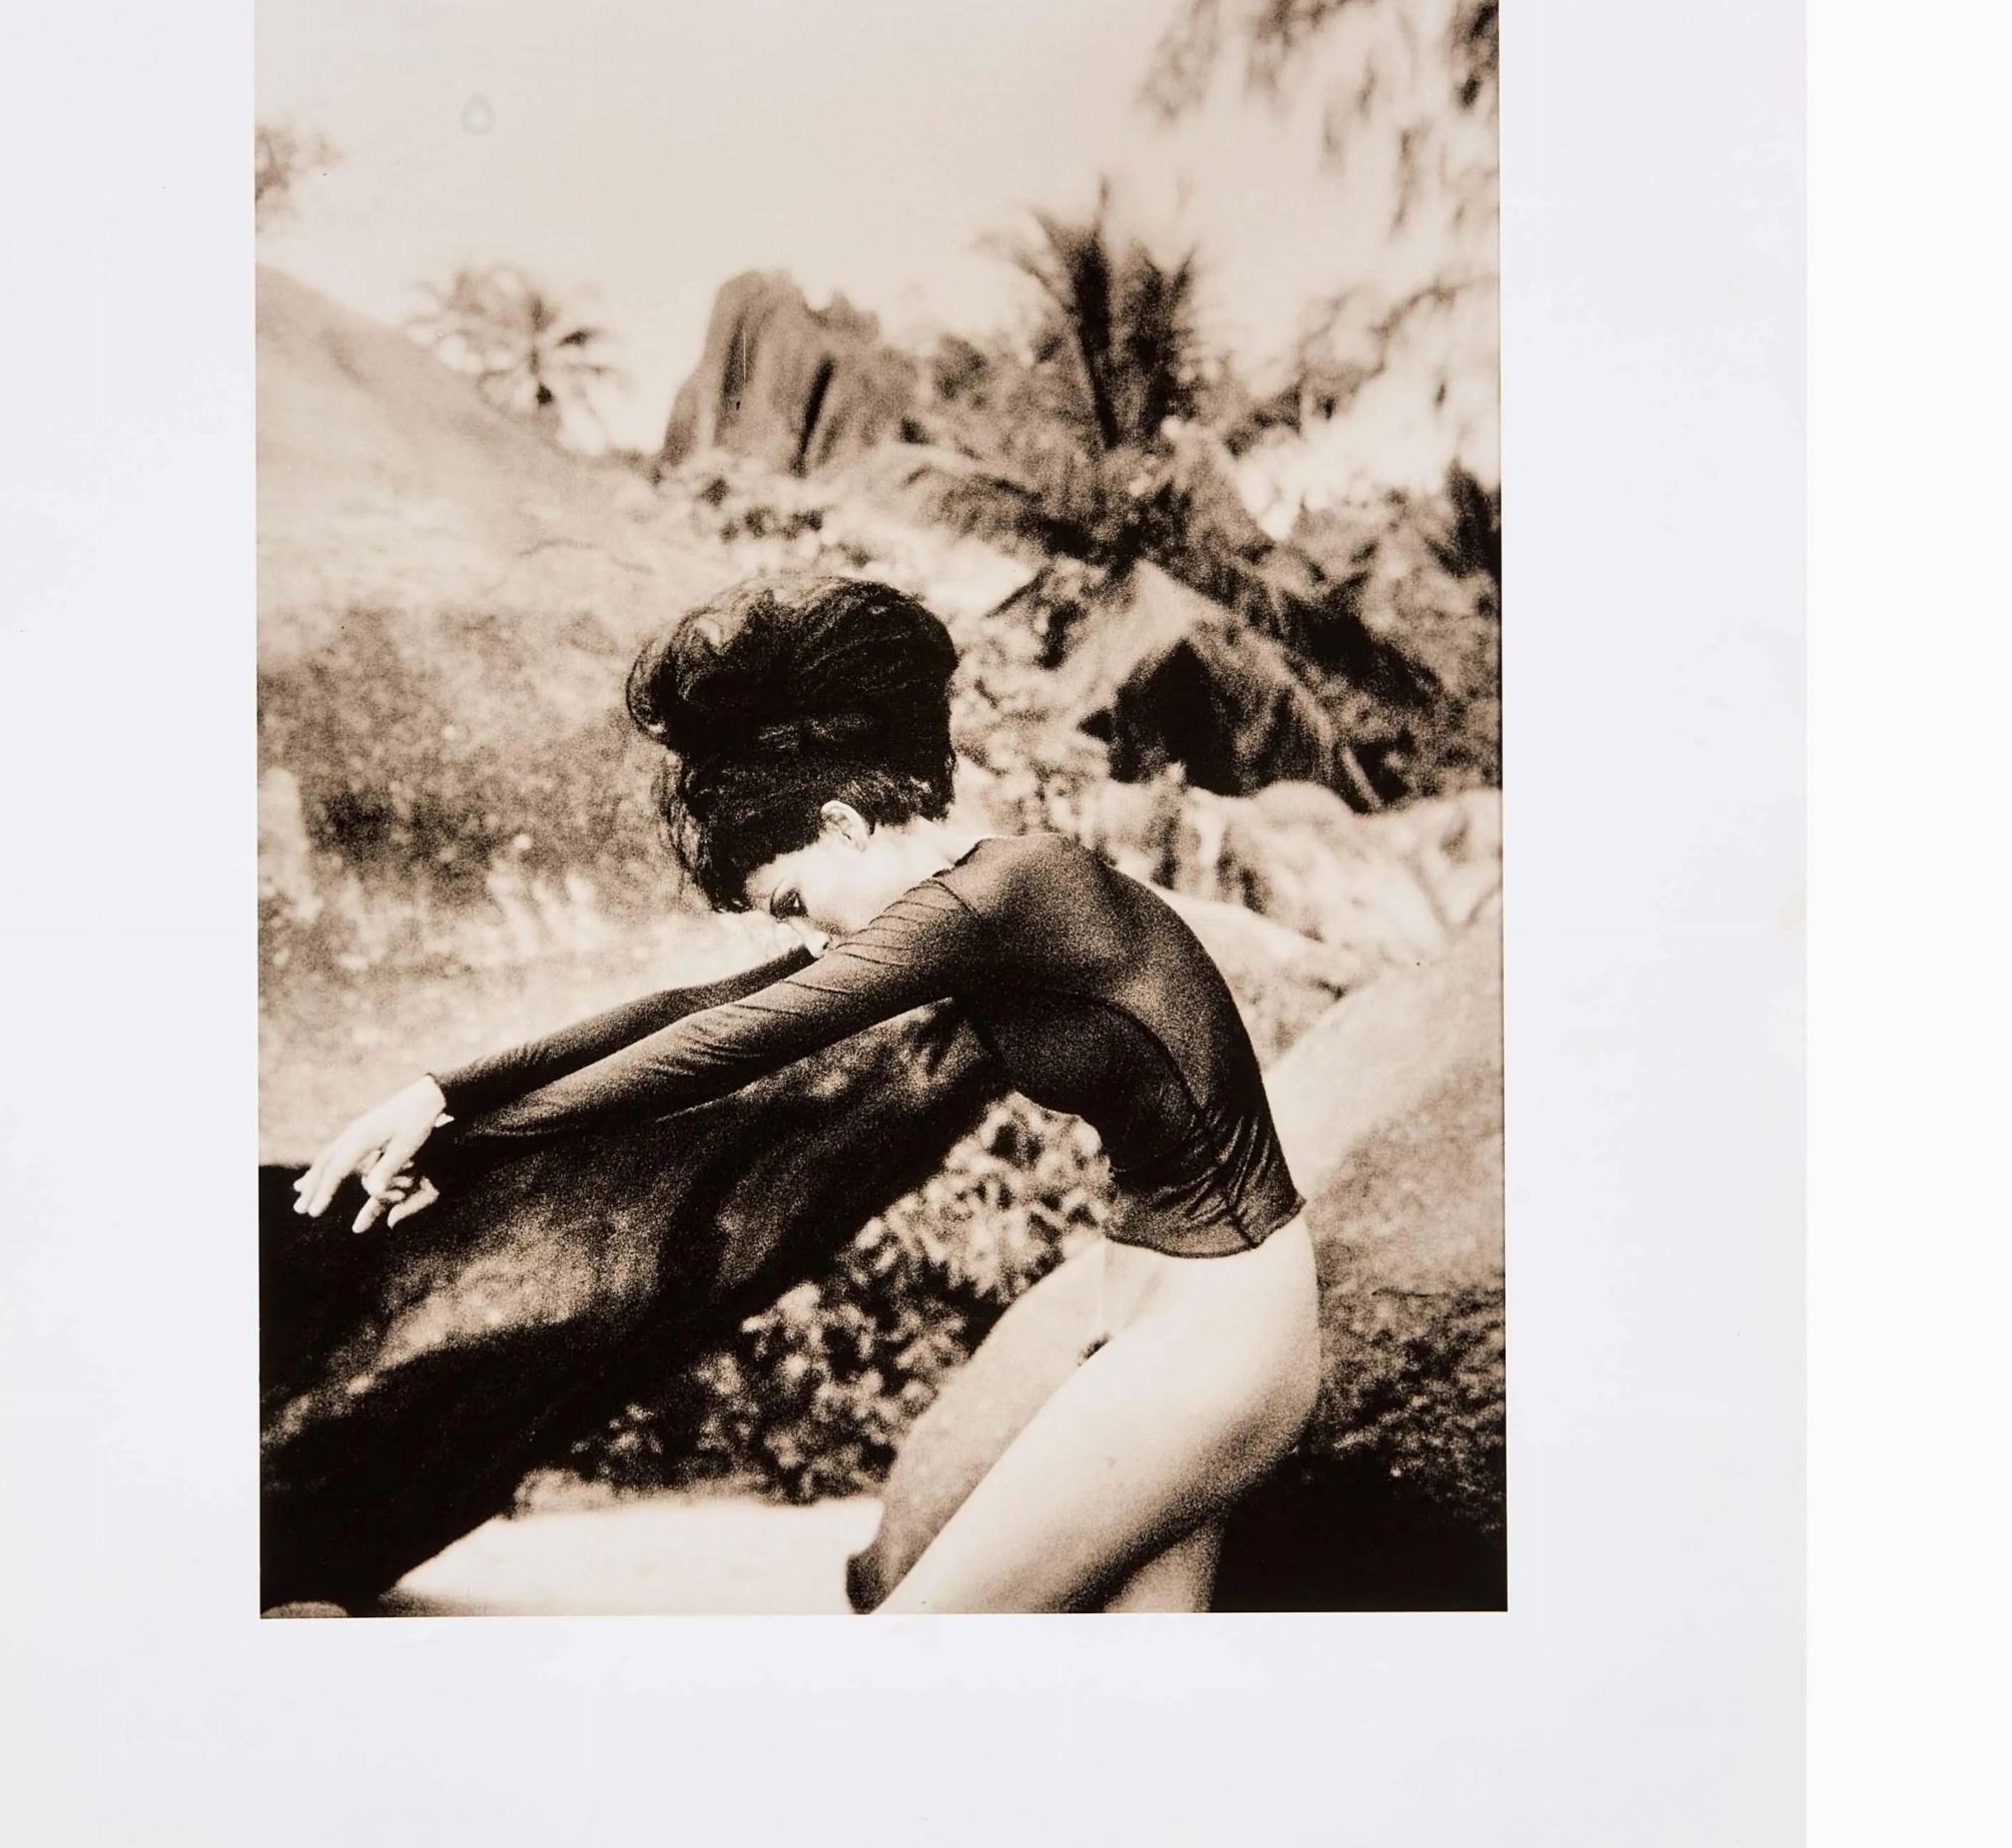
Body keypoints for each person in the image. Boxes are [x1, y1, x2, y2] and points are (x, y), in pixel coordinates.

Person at [295, 577, 1323, 1612]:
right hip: (1166, 1310)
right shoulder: (966, 910)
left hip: (1216, 1329)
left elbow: (729, 1044)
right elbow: (694, 1006)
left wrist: (463, 1151)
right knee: (1144, 1676)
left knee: (914, 1644)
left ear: (843, 824)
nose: (808, 938)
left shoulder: (1012, 893)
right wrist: (441, 1093)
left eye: (792, 900)